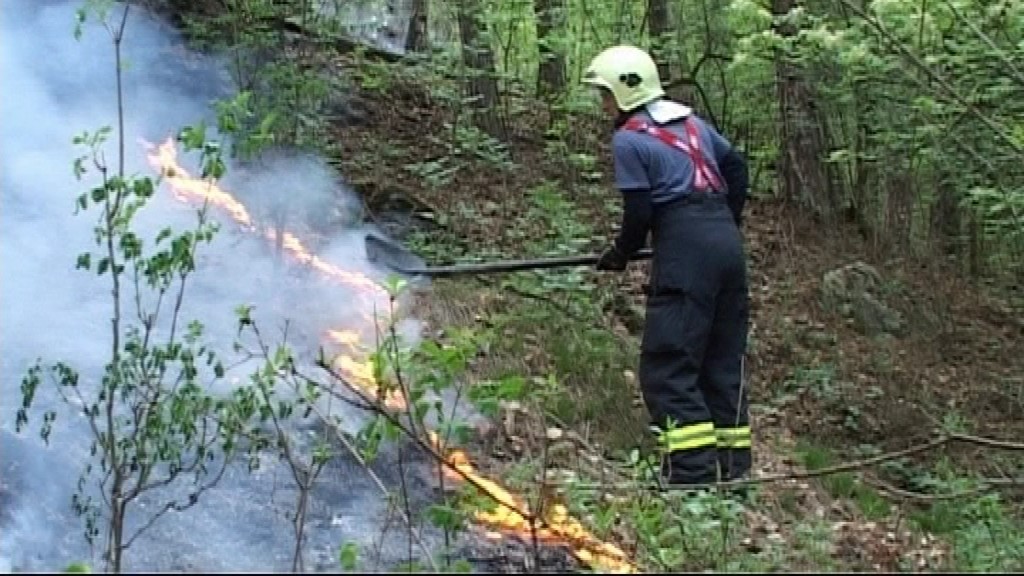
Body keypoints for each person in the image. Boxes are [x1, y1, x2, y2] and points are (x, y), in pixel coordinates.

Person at [582, 45, 752, 488]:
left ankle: (692, 482)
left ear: (622, 92)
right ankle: (732, 478)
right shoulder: (693, 123)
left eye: (604, 95)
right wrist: (723, 221)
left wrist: (620, 253)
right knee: (721, 364)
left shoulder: (630, 139)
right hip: (727, 248)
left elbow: (638, 212)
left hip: (686, 252)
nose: (602, 105)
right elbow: (736, 169)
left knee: (669, 366)